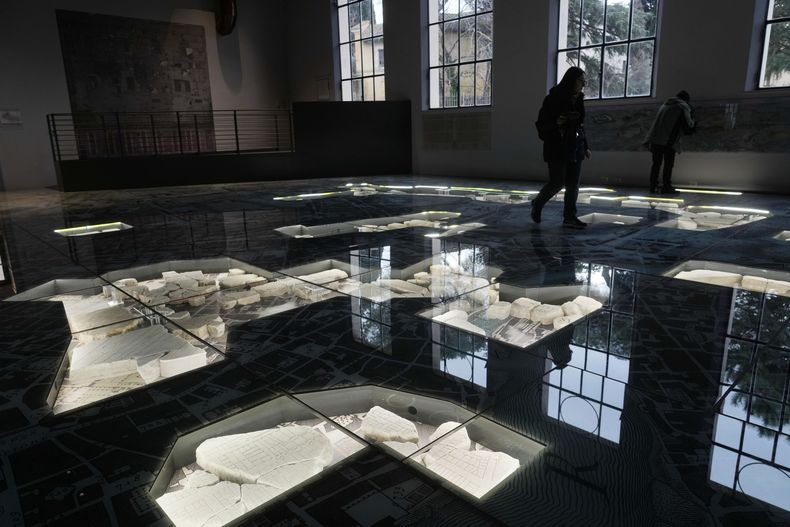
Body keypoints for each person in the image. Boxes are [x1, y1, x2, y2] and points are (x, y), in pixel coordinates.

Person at [532, 66, 592, 229]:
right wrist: (556, 124)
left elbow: (580, 125)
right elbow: (541, 123)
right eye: (581, 80)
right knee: (557, 182)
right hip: (557, 146)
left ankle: (569, 217)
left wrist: (585, 146)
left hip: (575, 146)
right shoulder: (553, 98)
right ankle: (537, 203)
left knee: (573, 184)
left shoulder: (579, 99)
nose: (583, 84)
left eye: (584, 81)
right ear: (571, 80)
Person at [644, 90, 695, 195]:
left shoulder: (664, 105)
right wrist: (694, 121)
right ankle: (666, 187)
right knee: (668, 165)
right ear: (686, 99)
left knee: (656, 164)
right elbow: (689, 124)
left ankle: (653, 187)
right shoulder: (682, 106)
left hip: (655, 140)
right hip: (668, 141)